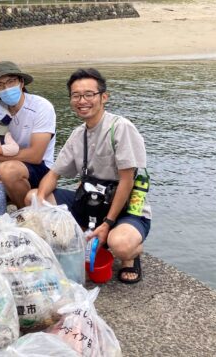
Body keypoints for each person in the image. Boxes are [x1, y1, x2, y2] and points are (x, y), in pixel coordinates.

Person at [28, 68, 151, 284]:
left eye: (89, 94)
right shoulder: (78, 134)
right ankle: (89, 235)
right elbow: (54, 174)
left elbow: (127, 180)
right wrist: (38, 205)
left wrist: (108, 223)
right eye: (76, 95)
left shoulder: (120, 128)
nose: (82, 100)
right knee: (33, 196)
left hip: (123, 208)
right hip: (90, 203)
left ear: (104, 97)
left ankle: (131, 255)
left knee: (120, 244)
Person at [0, 61, 56, 208]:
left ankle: (25, 212)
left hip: (39, 167)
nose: (6, 88)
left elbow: (36, 156)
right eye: (0, 85)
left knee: (7, 170)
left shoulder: (41, 107)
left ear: (21, 83)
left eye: (11, 82)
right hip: (3, 162)